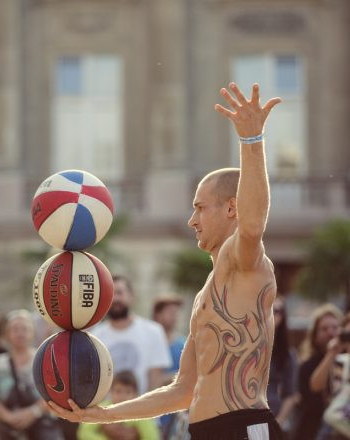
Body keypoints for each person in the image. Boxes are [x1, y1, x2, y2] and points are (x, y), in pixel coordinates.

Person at [48, 82, 284, 440]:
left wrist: (252, 142)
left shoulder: (244, 260)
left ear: (231, 208)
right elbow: (181, 391)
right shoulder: (207, 293)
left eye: (200, 208)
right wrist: (103, 414)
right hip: (207, 431)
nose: (192, 220)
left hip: (244, 429)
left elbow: (252, 226)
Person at [0, 309, 60, 440]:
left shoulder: (46, 360)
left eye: (24, 328)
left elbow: (57, 393)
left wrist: (33, 412)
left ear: (33, 332)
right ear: (6, 334)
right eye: (15, 329)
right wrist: (8, 416)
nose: (20, 333)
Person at [90, 274, 172, 394]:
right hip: (105, 410)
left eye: (119, 292)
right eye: (110, 294)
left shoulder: (153, 331)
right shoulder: (94, 336)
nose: (115, 299)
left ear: (131, 296)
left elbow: (156, 381)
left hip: (141, 410)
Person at [292, 303, 342, 440]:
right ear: (315, 335)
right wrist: (331, 354)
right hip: (313, 430)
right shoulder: (307, 366)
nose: (331, 333)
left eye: (335, 327)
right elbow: (314, 389)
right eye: (324, 329)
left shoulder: (346, 360)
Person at [77, 370, 160, 440]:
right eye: (118, 391)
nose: (122, 396)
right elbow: (84, 433)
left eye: (128, 392)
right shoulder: (102, 408)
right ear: (110, 392)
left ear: (135, 394)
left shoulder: (140, 413)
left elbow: (152, 437)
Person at [152, 294, 188, 438]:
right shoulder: (149, 343)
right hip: (149, 413)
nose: (175, 317)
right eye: (170, 313)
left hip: (174, 416)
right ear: (158, 314)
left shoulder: (183, 345)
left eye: (176, 313)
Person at [266, 295, 298, 437]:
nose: (272, 313)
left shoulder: (287, 355)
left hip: (270, 419)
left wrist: (278, 422)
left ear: (283, 317)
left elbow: (290, 395)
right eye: (268, 307)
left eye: (277, 310)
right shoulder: (245, 346)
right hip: (241, 418)